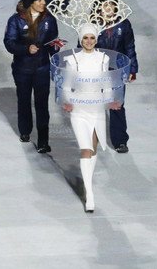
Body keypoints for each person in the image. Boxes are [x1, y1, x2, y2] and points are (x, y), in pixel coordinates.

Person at [61, 23, 123, 212]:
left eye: (92, 38)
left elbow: (106, 84)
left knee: (94, 150)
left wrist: (110, 100)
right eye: (86, 38)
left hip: (96, 109)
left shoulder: (103, 58)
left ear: (96, 40)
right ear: (81, 39)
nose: (89, 41)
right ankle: (89, 194)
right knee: (86, 149)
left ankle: (88, 183)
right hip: (79, 109)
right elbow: (66, 85)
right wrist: (68, 101)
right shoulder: (72, 59)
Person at [3, 0, 58, 153]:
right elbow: (9, 43)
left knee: (42, 104)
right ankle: (25, 131)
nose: (43, 3)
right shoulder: (15, 20)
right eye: (39, 0)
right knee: (24, 101)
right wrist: (26, 49)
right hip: (23, 69)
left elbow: (53, 41)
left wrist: (56, 48)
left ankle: (43, 141)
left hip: (42, 68)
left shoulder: (49, 19)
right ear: (30, 2)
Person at [96, 0, 137, 152]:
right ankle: (92, 137)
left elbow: (130, 47)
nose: (107, 8)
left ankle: (120, 141)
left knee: (117, 104)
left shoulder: (124, 24)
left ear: (115, 6)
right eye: (104, 4)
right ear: (98, 7)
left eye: (110, 4)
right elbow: (82, 48)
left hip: (117, 70)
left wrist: (132, 69)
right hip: (97, 71)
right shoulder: (91, 25)